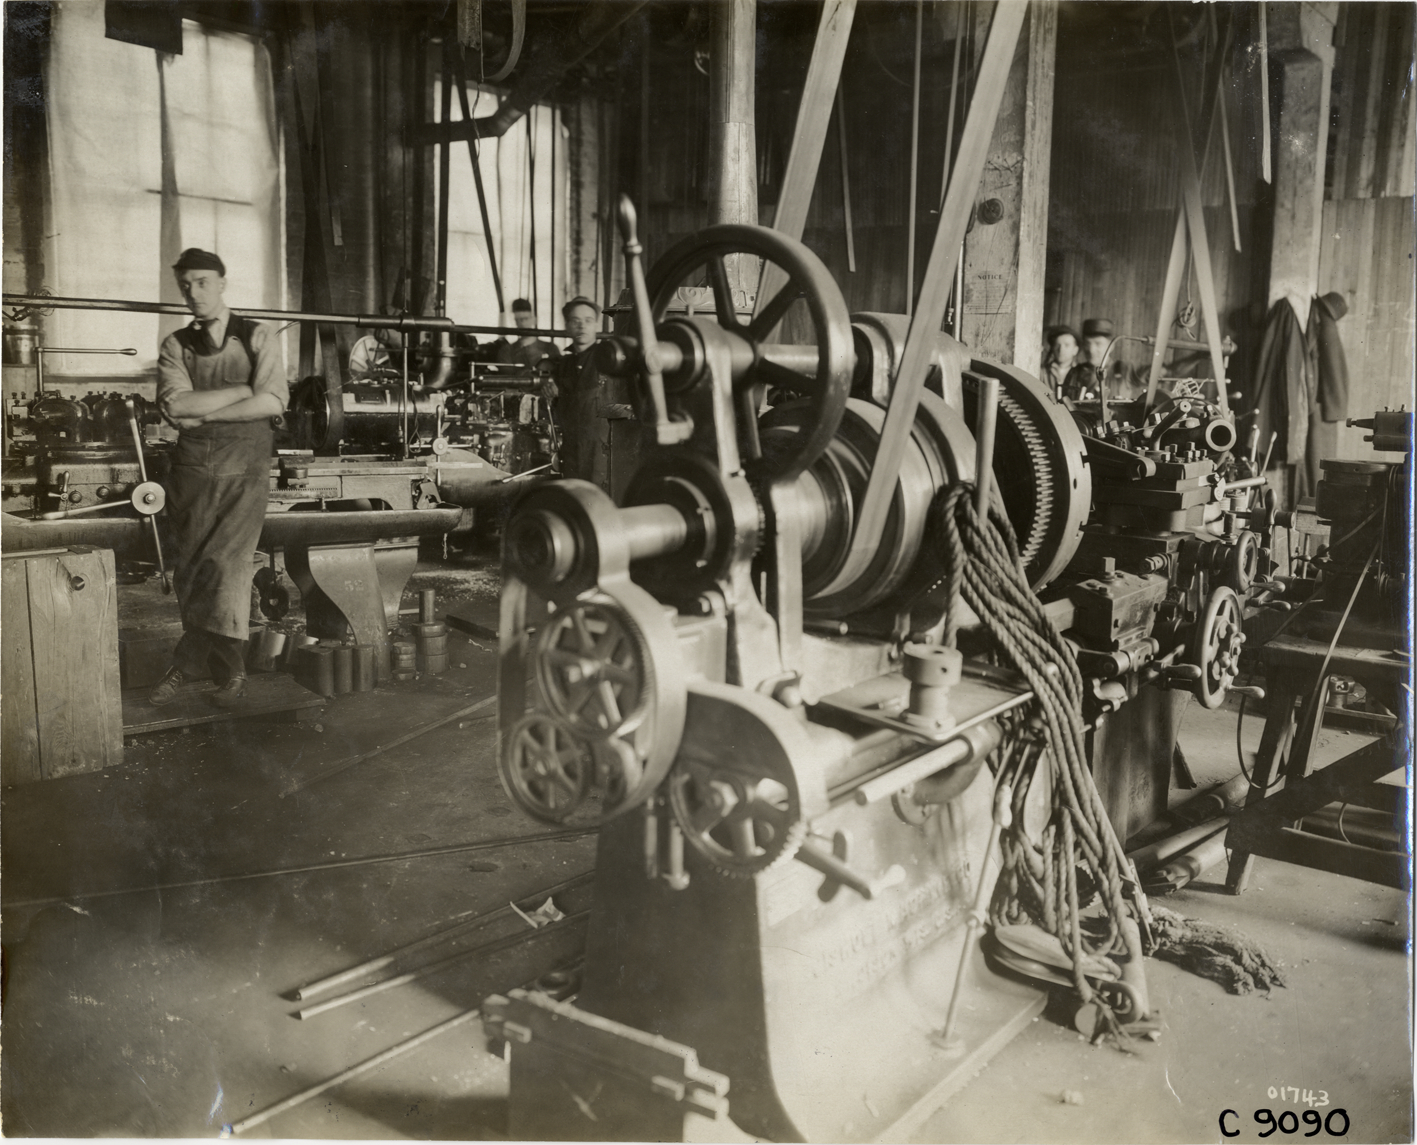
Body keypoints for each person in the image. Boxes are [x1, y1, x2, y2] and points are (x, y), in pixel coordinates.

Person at [148, 249, 288, 708]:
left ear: (222, 283)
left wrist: (207, 411)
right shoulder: (176, 344)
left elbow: (273, 402)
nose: (194, 293)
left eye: (203, 282)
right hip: (191, 472)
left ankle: (193, 667)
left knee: (226, 570)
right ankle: (227, 673)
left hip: (245, 470)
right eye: (186, 285)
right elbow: (176, 406)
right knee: (190, 573)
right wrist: (244, 391)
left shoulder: (257, 335)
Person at [547, 296, 641, 494]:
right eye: (575, 321)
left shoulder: (610, 358)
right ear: (567, 326)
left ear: (596, 324)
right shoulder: (563, 365)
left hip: (603, 449)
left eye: (588, 320)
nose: (582, 326)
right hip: (571, 449)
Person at [1062, 317, 1141, 404]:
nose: (1091, 350)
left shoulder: (1123, 369)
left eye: (1098, 344)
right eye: (1087, 343)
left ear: (1111, 346)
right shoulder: (1074, 373)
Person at [495, 298, 562, 370]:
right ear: (515, 321)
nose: (522, 323)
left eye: (526, 319)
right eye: (518, 320)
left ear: (534, 320)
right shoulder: (507, 351)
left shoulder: (551, 348)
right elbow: (507, 374)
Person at [1042, 325, 1080, 400]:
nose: (1061, 349)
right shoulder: (1043, 371)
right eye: (1057, 345)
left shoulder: (1081, 373)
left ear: (1075, 350)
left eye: (1067, 345)